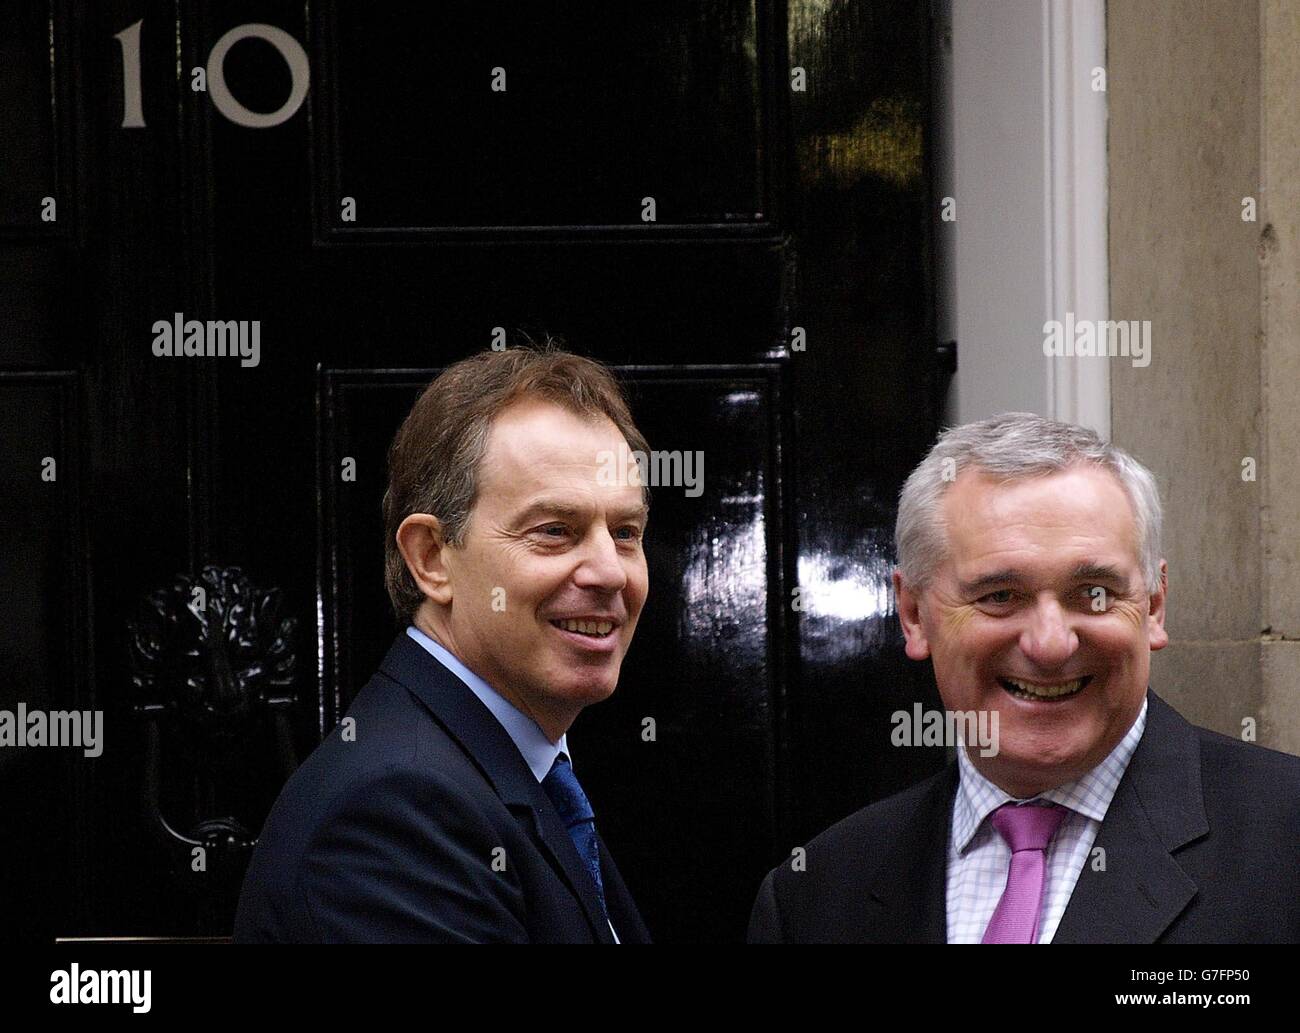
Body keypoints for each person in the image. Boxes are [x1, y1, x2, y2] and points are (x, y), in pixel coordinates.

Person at [749, 412, 1300, 943]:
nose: (1050, 644)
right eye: (999, 597)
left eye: (1094, 594)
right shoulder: (818, 895)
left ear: (1154, 606)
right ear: (915, 615)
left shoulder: (1284, 841)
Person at [235, 345, 652, 942]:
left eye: (625, 532)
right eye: (554, 531)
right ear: (431, 558)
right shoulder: (391, 814)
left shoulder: (503, 770)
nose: (610, 572)